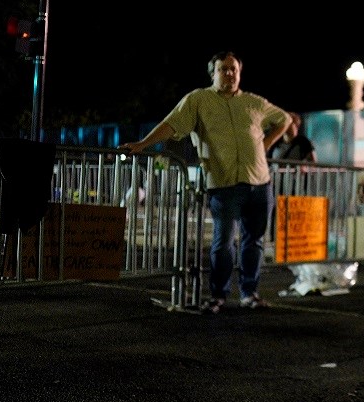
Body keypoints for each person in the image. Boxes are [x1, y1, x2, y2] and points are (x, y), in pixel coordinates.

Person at [120, 51, 290, 313]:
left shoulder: (253, 102)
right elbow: (172, 124)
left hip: (260, 182)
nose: (230, 74)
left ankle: (249, 293)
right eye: (224, 69)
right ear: (213, 73)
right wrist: (143, 144)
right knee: (223, 243)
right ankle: (218, 295)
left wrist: (265, 144)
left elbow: (284, 119)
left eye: (234, 69)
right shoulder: (199, 100)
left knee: (254, 242)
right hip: (224, 184)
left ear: (240, 72)